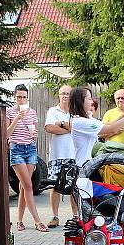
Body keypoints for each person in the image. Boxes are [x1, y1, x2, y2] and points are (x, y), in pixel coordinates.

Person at [7, 84, 48, 232]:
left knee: (24, 186)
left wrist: (34, 134)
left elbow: (34, 131)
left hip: (30, 149)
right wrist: (17, 118)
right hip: (16, 149)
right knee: (28, 186)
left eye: (24, 97)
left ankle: (19, 221)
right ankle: (37, 221)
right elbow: (6, 134)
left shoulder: (32, 112)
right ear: (14, 96)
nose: (22, 100)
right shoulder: (10, 112)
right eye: (19, 97)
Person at [69, 87, 124, 165]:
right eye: (89, 99)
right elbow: (112, 129)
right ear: (80, 101)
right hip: (82, 166)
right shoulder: (80, 122)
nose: (92, 102)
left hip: (88, 164)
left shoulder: (87, 119)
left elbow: (109, 124)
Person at [44, 85, 76, 228]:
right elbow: (49, 128)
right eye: (62, 93)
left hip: (73, 155)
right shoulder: (53, 111)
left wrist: (62, 127)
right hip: (56, 155)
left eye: (67, 94)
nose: (64, 96)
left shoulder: (76, 112)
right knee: (55, 186)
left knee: (74, 186)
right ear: (58, 95)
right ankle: (55, 216)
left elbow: (78, 128)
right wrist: (69, 129)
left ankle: (75, 216)